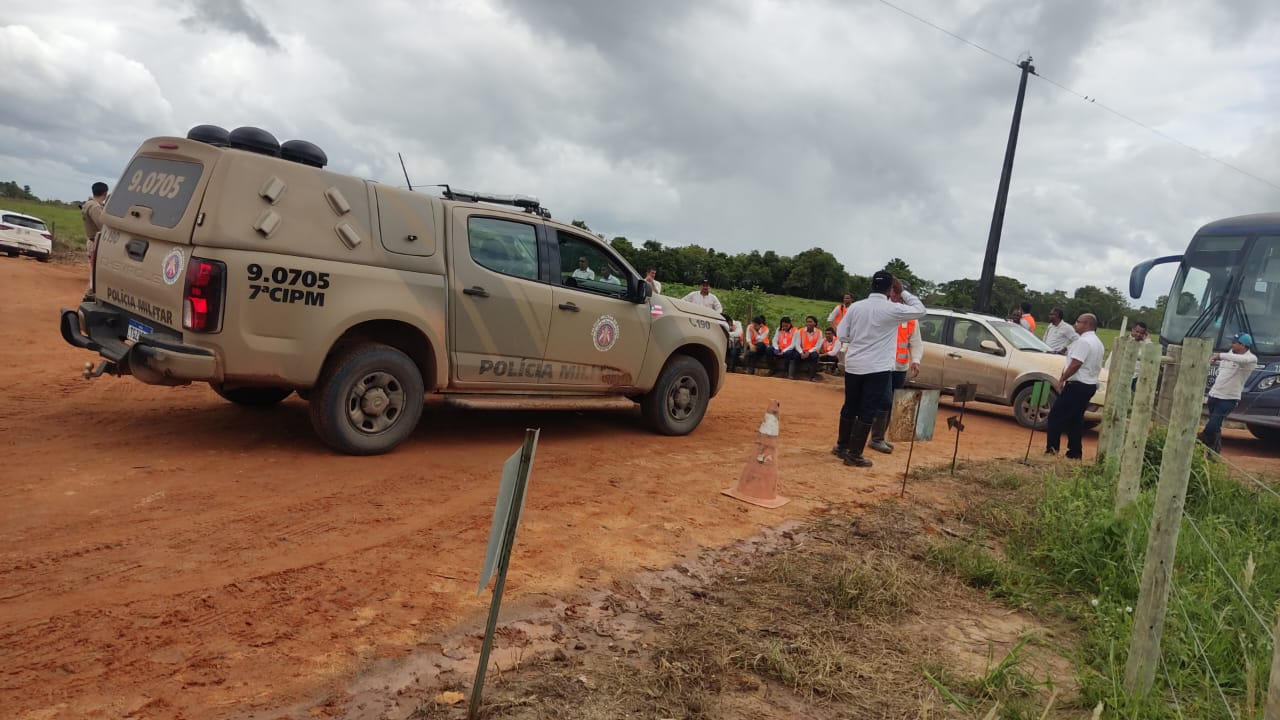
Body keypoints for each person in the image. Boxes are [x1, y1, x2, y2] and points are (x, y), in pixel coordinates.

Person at [833, 270, 926, 468]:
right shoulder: (892, 310)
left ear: (871, 285)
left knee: (850, 405)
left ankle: (841, 447)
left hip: (854, 365)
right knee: (868, 409)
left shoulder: (856, 307)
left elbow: (842, 334)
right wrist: (905, 293)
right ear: (891, 289)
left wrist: (858, 340)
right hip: (878, 368)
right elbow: (920, 309)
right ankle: (854, 454)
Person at [869, 280, 922, 453]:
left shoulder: (910, 317)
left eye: (899, 292)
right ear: (889, 293)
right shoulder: (883, 310)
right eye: (894, 292)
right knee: (883, 400)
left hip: (900, 367)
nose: (897, 295)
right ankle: (875, 438)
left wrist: (916, 360)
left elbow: (915, 342)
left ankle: (878, 437)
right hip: (883, 365)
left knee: (891, 403)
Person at [1045, 312, 1105, 459]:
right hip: (1089, 384)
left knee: (1055, 416)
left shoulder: (1084, 342)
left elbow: (1076, 363)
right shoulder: (1097, 342)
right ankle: (1074, 452)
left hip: (1078, 384)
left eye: (1078, 322)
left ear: (1087, 324)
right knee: (1075, 420)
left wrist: (1062, 379)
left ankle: (1052, 450)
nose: (1075, 324)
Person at [1198, 333, 1258, 453]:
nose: (1232, 344)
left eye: (1235, 343)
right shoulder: (1229, 355)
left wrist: (1221, 355)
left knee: (1212, 426)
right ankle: (1213, 452)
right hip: (1214, 394)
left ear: (1243, 345)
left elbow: (1242, 360)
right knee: (1216, 425)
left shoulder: (1250, 359)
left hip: (1229, 398)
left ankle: (1200, 443)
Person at [81, 181, 109, 300]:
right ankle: (88, 298)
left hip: (92, 241)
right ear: (105, 193)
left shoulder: (89, 204)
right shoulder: (95, 207)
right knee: (96, 276)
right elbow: (103, 225)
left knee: (95, 274)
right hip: (96, 243)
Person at [795, 315, 823, 381]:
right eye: (807, 322)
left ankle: (812, 376)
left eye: (810, 322)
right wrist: (801, 352)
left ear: (815, 323)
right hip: (802, 351)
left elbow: (818, 346)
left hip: (812, 351)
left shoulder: (819, 332)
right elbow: (797, 344)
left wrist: (809, 352)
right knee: (795, 355)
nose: (808, 323)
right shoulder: (800, 331)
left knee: (814, 356)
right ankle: (794, 374)